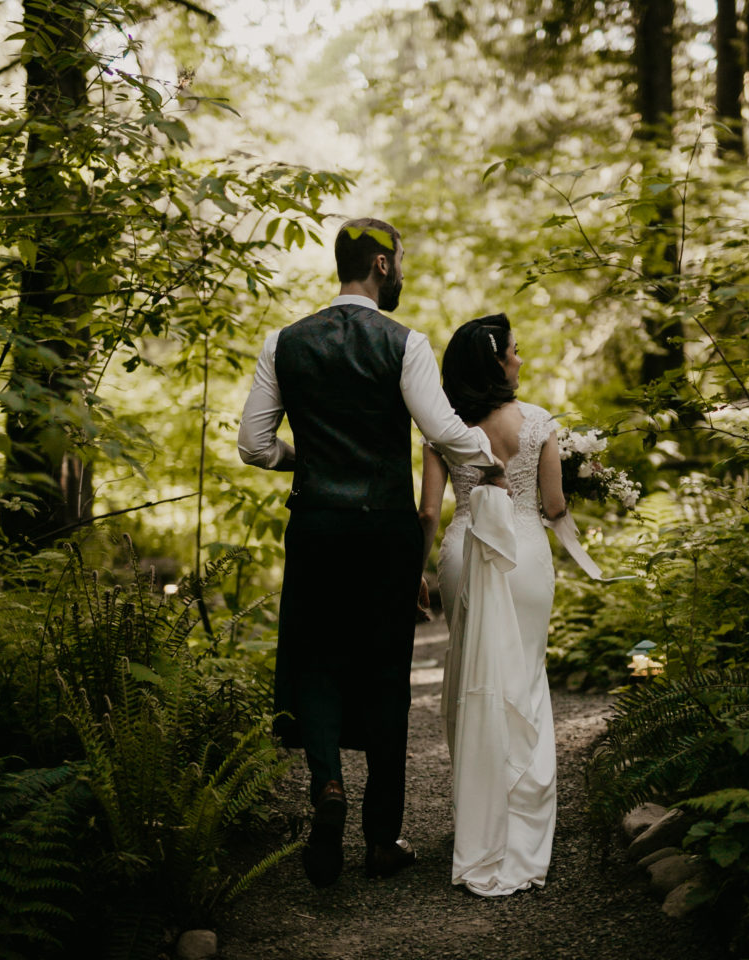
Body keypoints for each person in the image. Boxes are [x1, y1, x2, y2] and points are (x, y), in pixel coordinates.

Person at [237, 218, 505, 888]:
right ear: (382, 265)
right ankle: (381, 838)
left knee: (318, 662)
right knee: (386, 670)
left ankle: (327, 786)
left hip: (318, 524)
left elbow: (254, 445)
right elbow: (442, 428)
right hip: (384, 526)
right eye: (402, 261)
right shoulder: (403, 343)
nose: (403, 271)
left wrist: (310, 460)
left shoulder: (284, 341)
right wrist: (492, 460)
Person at [417, 313, 570, 896]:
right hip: (526, 553)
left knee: (473, 675)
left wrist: (416, 575)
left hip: (463, 552)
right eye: (515, 349)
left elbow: (429, 512)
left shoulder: (442, 428)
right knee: (524, 678)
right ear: (497, 362)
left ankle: (478, 823)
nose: (521, 358)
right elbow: (552, 507)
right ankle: (523, 829)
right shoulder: (537, 422)